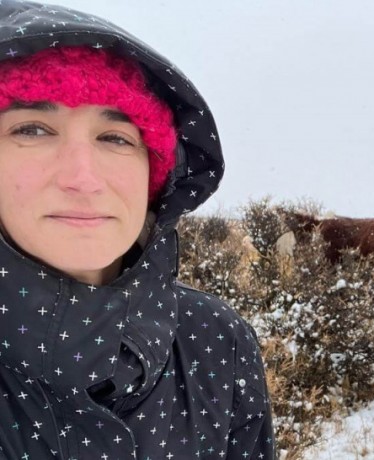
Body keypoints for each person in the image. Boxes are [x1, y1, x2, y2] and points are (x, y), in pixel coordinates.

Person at [0, 1, 275, 459]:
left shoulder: (214, 342)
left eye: (116, 138)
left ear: (155, 174)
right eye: (32, 129)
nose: (83, 177)